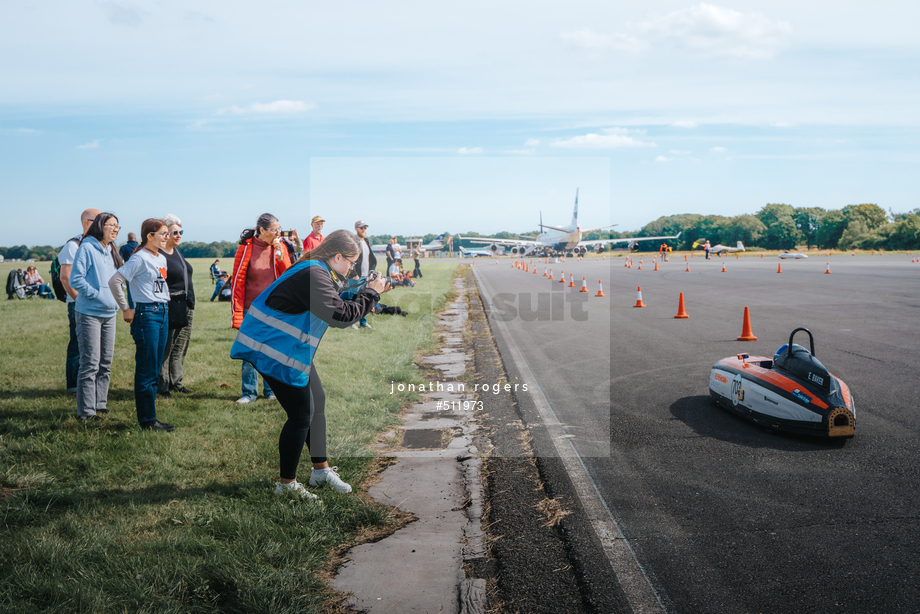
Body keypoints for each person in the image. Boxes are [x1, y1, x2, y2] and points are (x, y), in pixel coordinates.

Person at [230, 230, 389, 499]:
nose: (352, 267)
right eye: (351, 262)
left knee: (318, 402)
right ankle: (286, 484)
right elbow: (341, 315)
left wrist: (364, 291)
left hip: (290, 349)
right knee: (302, 413)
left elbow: (337, 302)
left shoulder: (318, 271)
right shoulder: (313, 274)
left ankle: (320, 471)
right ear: (337, 256)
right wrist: (371, 294)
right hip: (273, 350)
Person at [108, 219, 176, 432]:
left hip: (163, 312)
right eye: (163, 233)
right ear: (150, 236)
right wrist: (126, 308)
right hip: (147, 314)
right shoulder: (139, 258)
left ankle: (151, 416)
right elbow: (115, 281)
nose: (167, 237)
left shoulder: (161, 258)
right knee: (147, 369)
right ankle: (147, 420)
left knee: (155, 366)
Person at [231, 213, 293, 403]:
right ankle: (248, 392)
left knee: (272, 351)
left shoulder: (279, 246)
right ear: (262, 230)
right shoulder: (246, 248)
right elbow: (237, 283)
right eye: (274, 230)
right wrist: (238, 314)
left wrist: (281, 255)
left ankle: (271, 390)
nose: (278, 233)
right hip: (251, 308)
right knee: (250, 352)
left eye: (279, 229)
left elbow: (288, 275)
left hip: (274, 308)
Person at [70, 213, 123, 421]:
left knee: (105, 362)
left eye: (118, 226)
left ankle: (100, 404)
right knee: (90, 363)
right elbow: (76, 279)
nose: (116, 229)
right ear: (100, 226)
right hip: (89, 314)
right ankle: (86, 412)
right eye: (112, 225)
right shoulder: (87, 247)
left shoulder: (110, 250)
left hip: (110, 314)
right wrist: (97, 294)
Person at [59, 208, 101, 396]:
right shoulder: (73, 246)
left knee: (94, 347)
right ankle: (74, 387)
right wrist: (81, 300)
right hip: (79, 304)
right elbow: (65, 278)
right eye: (101, 221)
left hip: (96, 304)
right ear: (87, 223)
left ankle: (91, 385)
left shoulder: (97, 244)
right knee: (78, 345)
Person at [158, 214, 195, 396]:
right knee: (166, 346)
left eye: (181, 232)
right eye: (175, 232)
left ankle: (176, 382)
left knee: (180, 345)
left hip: (185, 305)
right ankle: (162, 385)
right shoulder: (160, 254)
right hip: (170, 305)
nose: (179, 235)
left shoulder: (177, 251)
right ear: (165, 233)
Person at [351, 220, 376, 329]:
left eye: (365, 228)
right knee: (353, 299)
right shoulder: (353, 241)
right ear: (356, 228)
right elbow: (350, 258)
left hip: (366, 276)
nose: (363, 230)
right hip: (356, 276)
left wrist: (372, 271)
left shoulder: (366, 241)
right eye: (361, 228)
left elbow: (370, 258)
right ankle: (350, 321)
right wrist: (354, 274)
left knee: (364, 300)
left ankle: (363, 322)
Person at [119, 232, 139, 309]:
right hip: (138, 272)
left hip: (129, 272)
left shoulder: (123, 248)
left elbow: (119, 260)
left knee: (130, 291)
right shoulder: (139, 247)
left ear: (128, 239)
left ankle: (132, 308)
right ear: (135, 238)